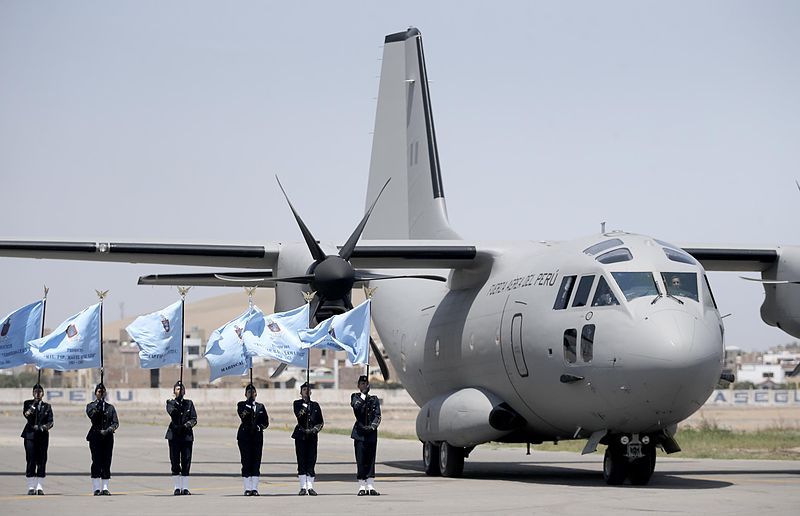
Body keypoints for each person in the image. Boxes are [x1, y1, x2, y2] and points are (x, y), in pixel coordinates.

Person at [350, 375, 381, 496]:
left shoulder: (374, 399)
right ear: (358, 386)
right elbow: (356, 407)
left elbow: (377, 415)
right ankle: (362, 486)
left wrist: (372, 427)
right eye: (362, 384)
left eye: (366, 384)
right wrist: (363, 395)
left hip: (371, 434)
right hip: (360, 434)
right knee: (361, 460)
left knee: (371, 460)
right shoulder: (355, 397)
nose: (364, 386)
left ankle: (370, 486)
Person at [86, 383, 118, 495]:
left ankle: (105, 487)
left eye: (103, 391)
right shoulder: (90, 406)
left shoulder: (110, 407)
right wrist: (98, 407)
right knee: (96, 461)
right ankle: (96, 488)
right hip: (95, 437)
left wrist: (109, 430)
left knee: (106, 462)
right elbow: (92, 416)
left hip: (107, 438)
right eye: (99, 391)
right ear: (95, 393)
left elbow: (115, 423)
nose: (101, 393)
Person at [291, 382, 324, 496]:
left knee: (311, 460)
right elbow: (299, 415)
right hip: (301, 435)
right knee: (301, 460)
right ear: (300, 392)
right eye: (304, 389)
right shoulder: (297, 404)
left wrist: (314, 430)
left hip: (312, 436)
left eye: (308, 389)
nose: (306, 391)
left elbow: (320, 421)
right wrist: (305, 405)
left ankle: (310, 486)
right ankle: (303, 487)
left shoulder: (315, 405)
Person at [237, 383, 269, 496]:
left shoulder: (260, 407)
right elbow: (242, 415)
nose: (251, 394)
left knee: (256, 461)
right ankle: (247, 488)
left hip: (257, 437)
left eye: (253, 392)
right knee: (246, 461)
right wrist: (249, 405)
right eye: (249, 392)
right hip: (244, 437)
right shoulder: (241, 405)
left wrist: (259, 427)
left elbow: (266, 422)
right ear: (245, 394)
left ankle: (254, 488)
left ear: (256, 393)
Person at [21, 383, 53, 495]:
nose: (38, 393)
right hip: (30, 435)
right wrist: (34, 404)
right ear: (33, 393)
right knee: (30, 460)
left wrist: (44, 427)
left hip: (42, 436)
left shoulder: (47, 406)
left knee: (42, 460)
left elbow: (50, 422)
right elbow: (27, 414)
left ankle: (39, 486)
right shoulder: (28, 403)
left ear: (43, 393)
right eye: (35, 391)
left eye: (40, 391)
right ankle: (31, 486)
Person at [165, 381, 197, 495]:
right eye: (178, 389)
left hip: (186, 436)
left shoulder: (189, 403)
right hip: (174, 435)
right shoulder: (170, 403)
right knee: (174, 461)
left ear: (185, 391)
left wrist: (186, 426)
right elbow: (172, 413)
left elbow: (194, 419)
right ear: (174, 391)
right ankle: (177, 487)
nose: (180, 391)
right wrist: (178, 405)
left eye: (182, 389)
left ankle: (185, 487)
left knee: (186, 461)